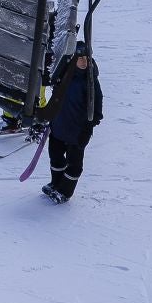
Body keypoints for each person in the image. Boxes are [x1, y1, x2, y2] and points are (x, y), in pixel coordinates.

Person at [40, 41, 103, 203]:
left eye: (86, 58)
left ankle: (65, 191)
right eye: (80, 58)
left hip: (77, 130)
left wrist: (89, 127)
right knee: (56, 156)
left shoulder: (90, 81)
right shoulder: (63, 76)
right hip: (59, 125)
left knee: (74, 163)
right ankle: (56, 183)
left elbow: (97, 106)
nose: (84, 62)